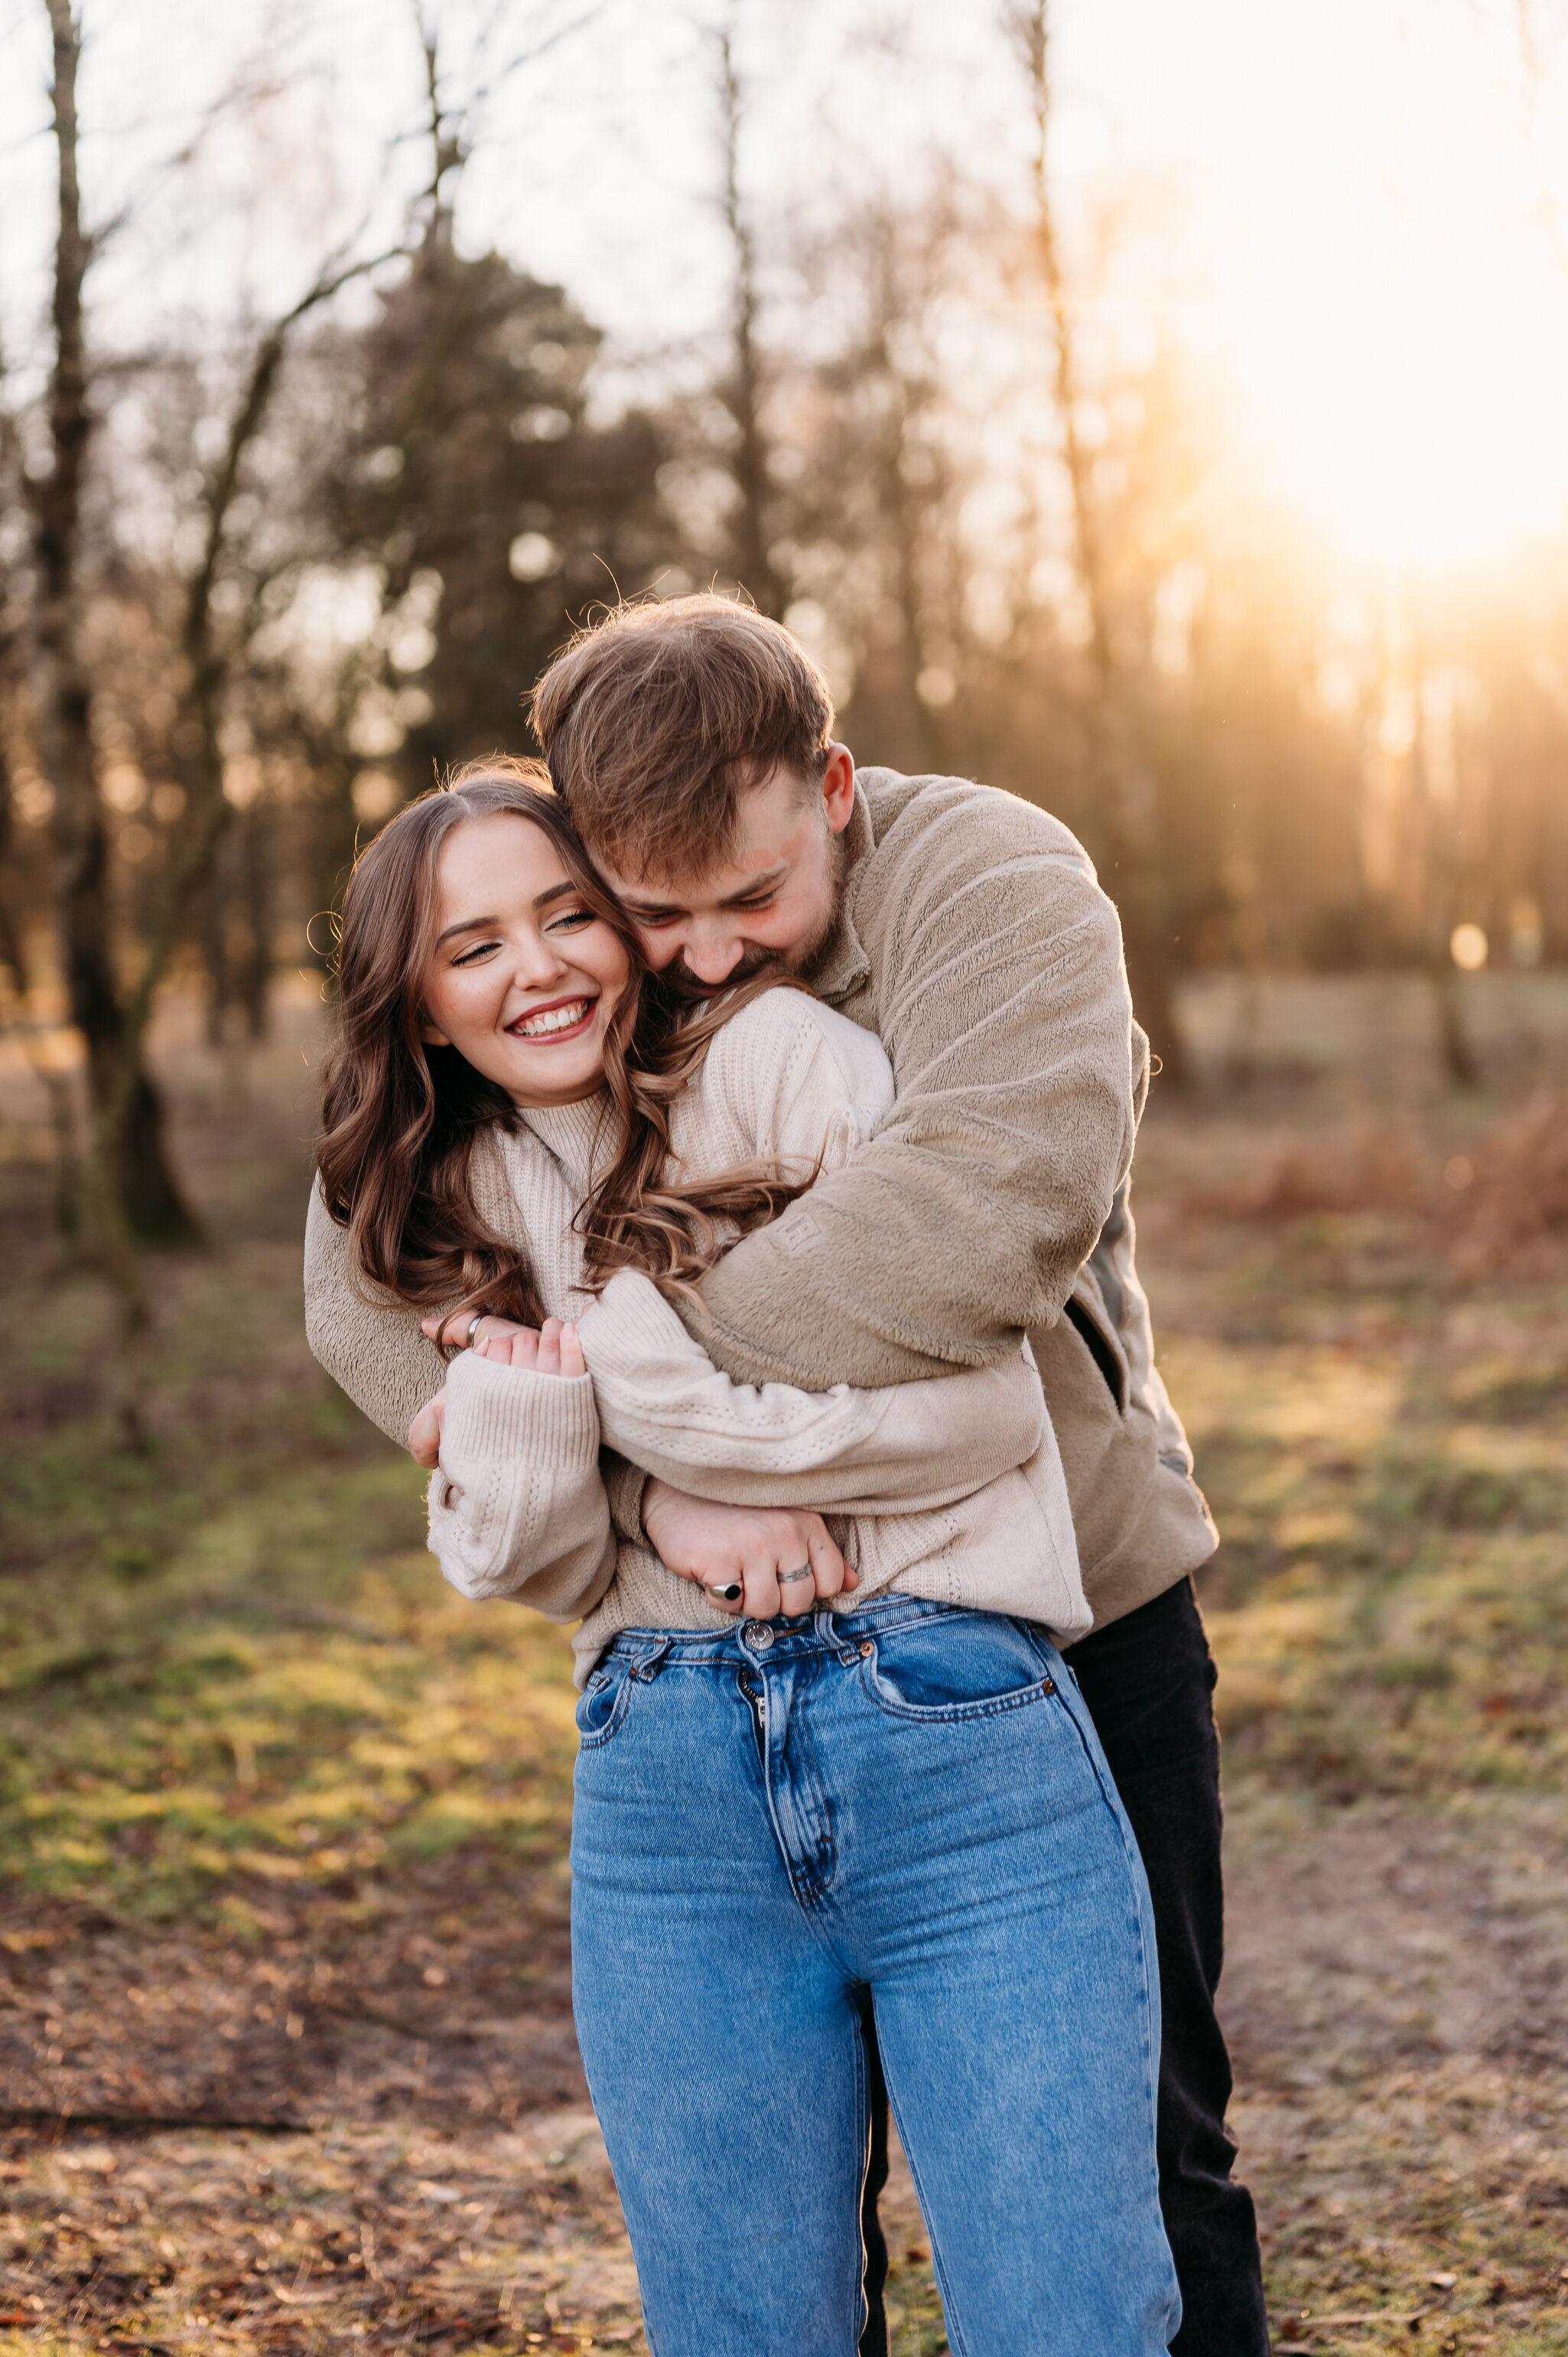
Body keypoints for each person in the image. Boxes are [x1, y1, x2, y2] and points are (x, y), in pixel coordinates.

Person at [305, 766, 1179, 2356]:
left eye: (572, 914)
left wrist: (620, 1390)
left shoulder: (780, 1061)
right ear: (422, 1006)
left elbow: (981, 1412)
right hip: (661, 1790)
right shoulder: (449, 1198)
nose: (539, 967)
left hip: (951, 1720)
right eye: (475, 944)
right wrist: (655, 1503)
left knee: (1069, 2317)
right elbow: (520, 1555)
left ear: (634, 926)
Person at [520, 594, 1271, 2357]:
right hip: (719, 1660)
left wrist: (611, 1400)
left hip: (1073, 1608)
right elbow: (376, 1246)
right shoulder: (550, 929)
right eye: (657, 913)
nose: (703, 958)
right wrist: (658, 1494)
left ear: (835, 787)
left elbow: (973, 1220)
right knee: (786, 2217)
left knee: (1147, 2155)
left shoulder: (990, 877)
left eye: (753, 899)